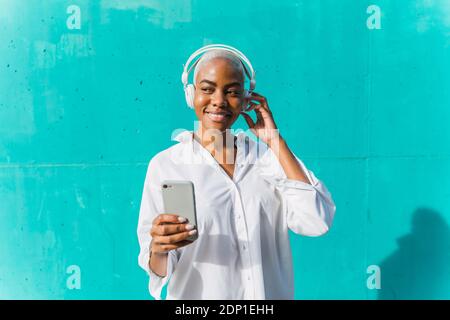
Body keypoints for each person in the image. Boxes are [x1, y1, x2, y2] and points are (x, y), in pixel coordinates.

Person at [137, 44, 336, 299]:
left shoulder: (268, 156)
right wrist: (160, 248)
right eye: (207, 89)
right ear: (191, 95)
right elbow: (158, 270)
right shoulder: (166, 165)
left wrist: (275, 141)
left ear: (246, 100)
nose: (218, 101)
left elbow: (316, 221)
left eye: (232, 91)